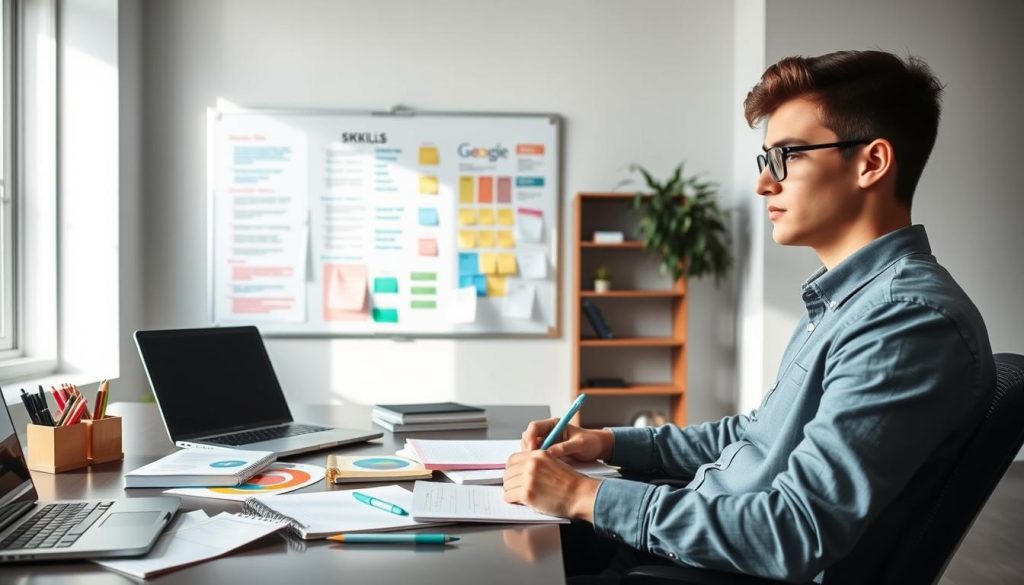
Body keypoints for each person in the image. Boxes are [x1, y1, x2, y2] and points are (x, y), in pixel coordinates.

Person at [502, 50, 994, 584]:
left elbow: (794, 534)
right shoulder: (850, 303)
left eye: (787, 156)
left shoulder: (904, 322)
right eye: (767, 160)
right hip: (686, 543)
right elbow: (756, 437)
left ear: (870, 163)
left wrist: (581, 494)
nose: (764, 184)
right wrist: (607, 442)